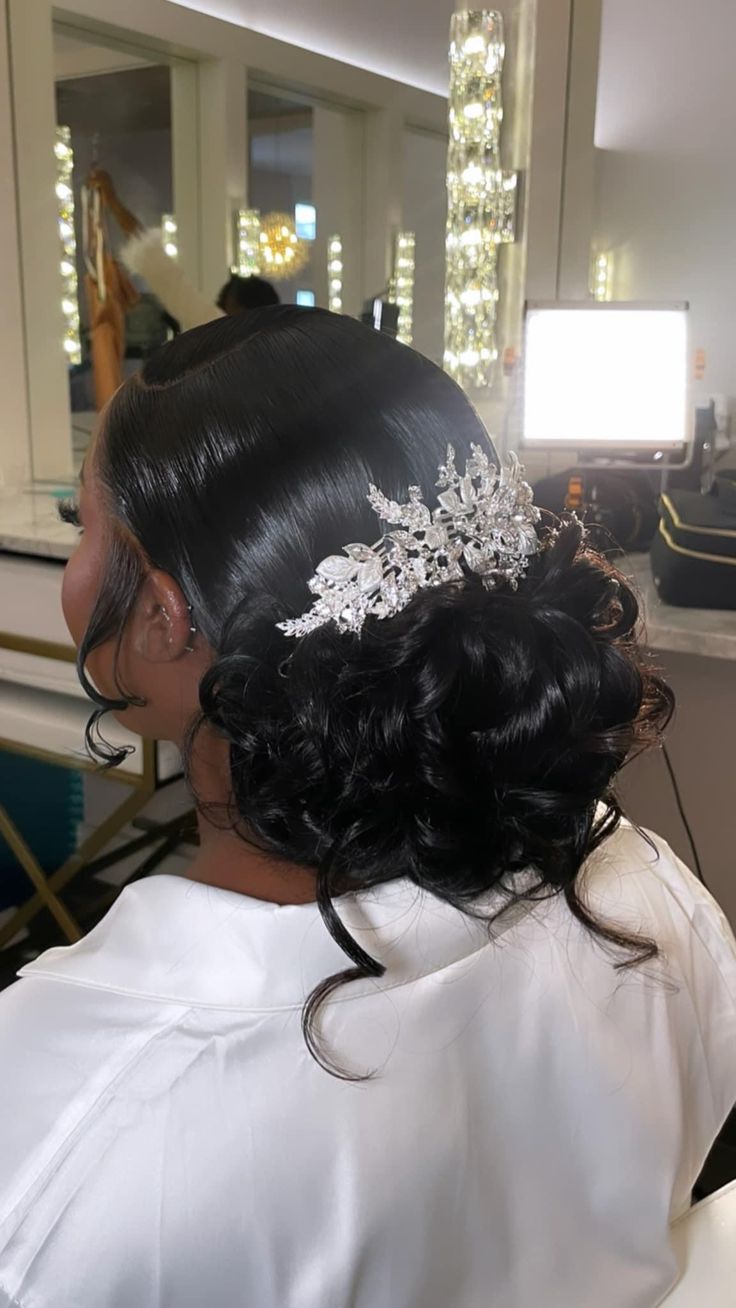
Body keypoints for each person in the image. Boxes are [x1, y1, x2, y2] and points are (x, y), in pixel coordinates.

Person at [0, 308, 734, 1308]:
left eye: (88, 525)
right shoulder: (654, 897)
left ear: (165, 617)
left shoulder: (64, 1124)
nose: (78, 566)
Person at [90, 169, 280, 331]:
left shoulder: (219, 330)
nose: (217, 302)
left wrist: (114, 203)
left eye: (224, 302)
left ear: (240, 310)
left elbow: (161, 270)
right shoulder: (271, 356)